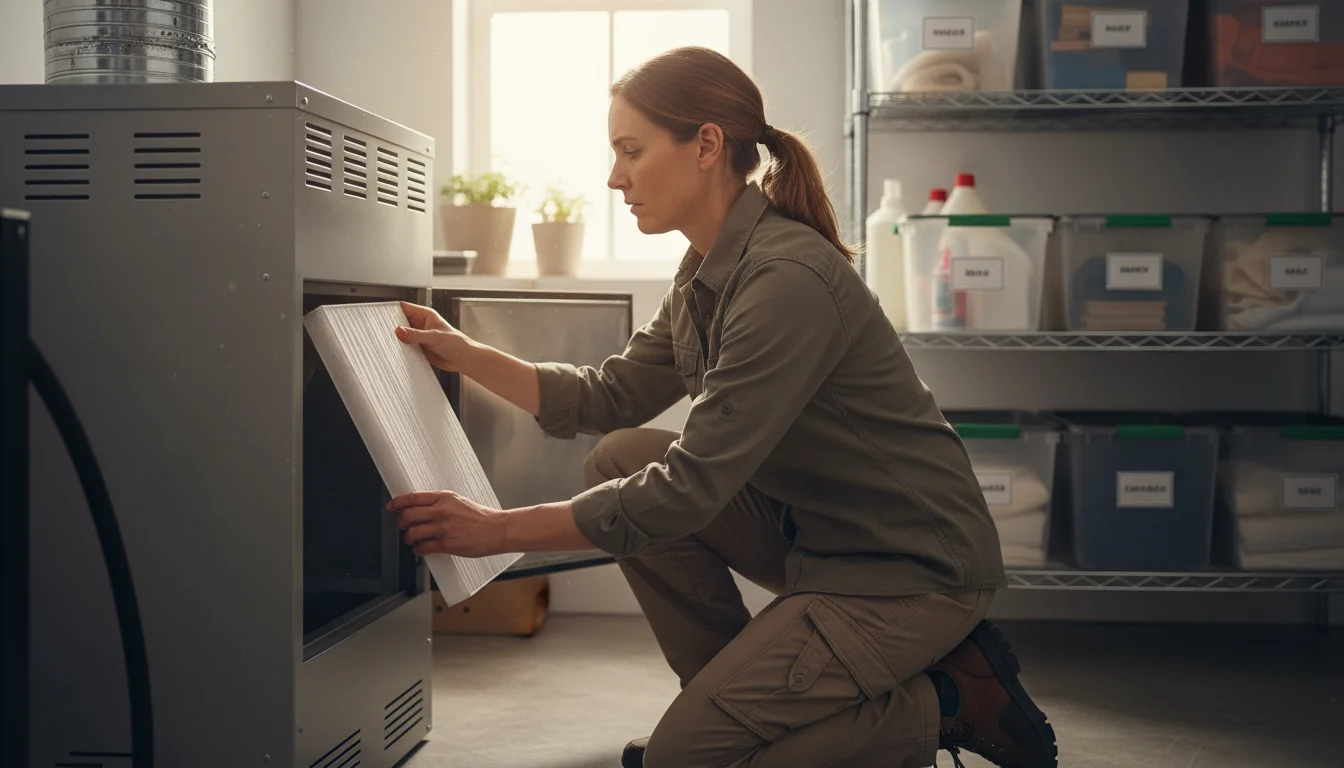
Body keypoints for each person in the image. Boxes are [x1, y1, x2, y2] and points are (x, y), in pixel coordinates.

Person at [388, 46, 1056, 768]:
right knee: (618, 454)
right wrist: (466, 354)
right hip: (820, 541)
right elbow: (613, 395)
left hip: (909, 569)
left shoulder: (786, 279)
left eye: (631, 152)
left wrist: (499, 531)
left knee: (683, 759)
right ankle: (728, 706)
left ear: (706, 145)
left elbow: (690, 488)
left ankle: (946, 701)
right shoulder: (706, 269)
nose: (615, 178)